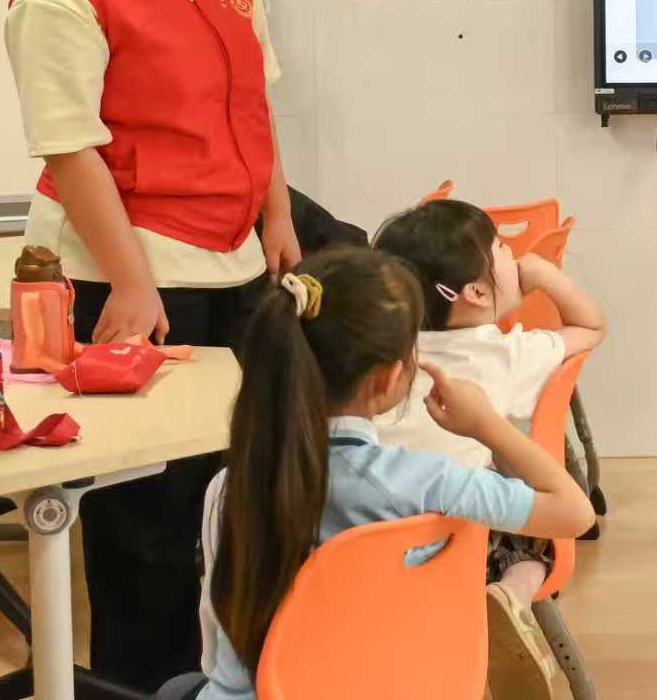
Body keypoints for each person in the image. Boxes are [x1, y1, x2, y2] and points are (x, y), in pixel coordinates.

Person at [1, 0, 299, 690]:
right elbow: (73, 151)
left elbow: (252, 98)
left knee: (233, 505)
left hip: (234, 257)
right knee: (150, 534)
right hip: (134, 269)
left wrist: (278, 214)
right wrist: (133, 283)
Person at [159, 247, 597, 700]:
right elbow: (575, 512)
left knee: (178, 688)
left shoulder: (230, 488)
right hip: (407, 687)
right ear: (389, 379)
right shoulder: (425, 481)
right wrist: (486, 424)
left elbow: (218, 654)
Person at [371, 197, 606, 680]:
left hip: (368, 551)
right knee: (533, 533)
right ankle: (510, 594)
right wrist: (544, 275)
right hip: (457, 552)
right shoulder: (506, 355)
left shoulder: (378, 359)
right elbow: (591, 326)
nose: (514, 257)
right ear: (476, 292)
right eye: (502, 248)